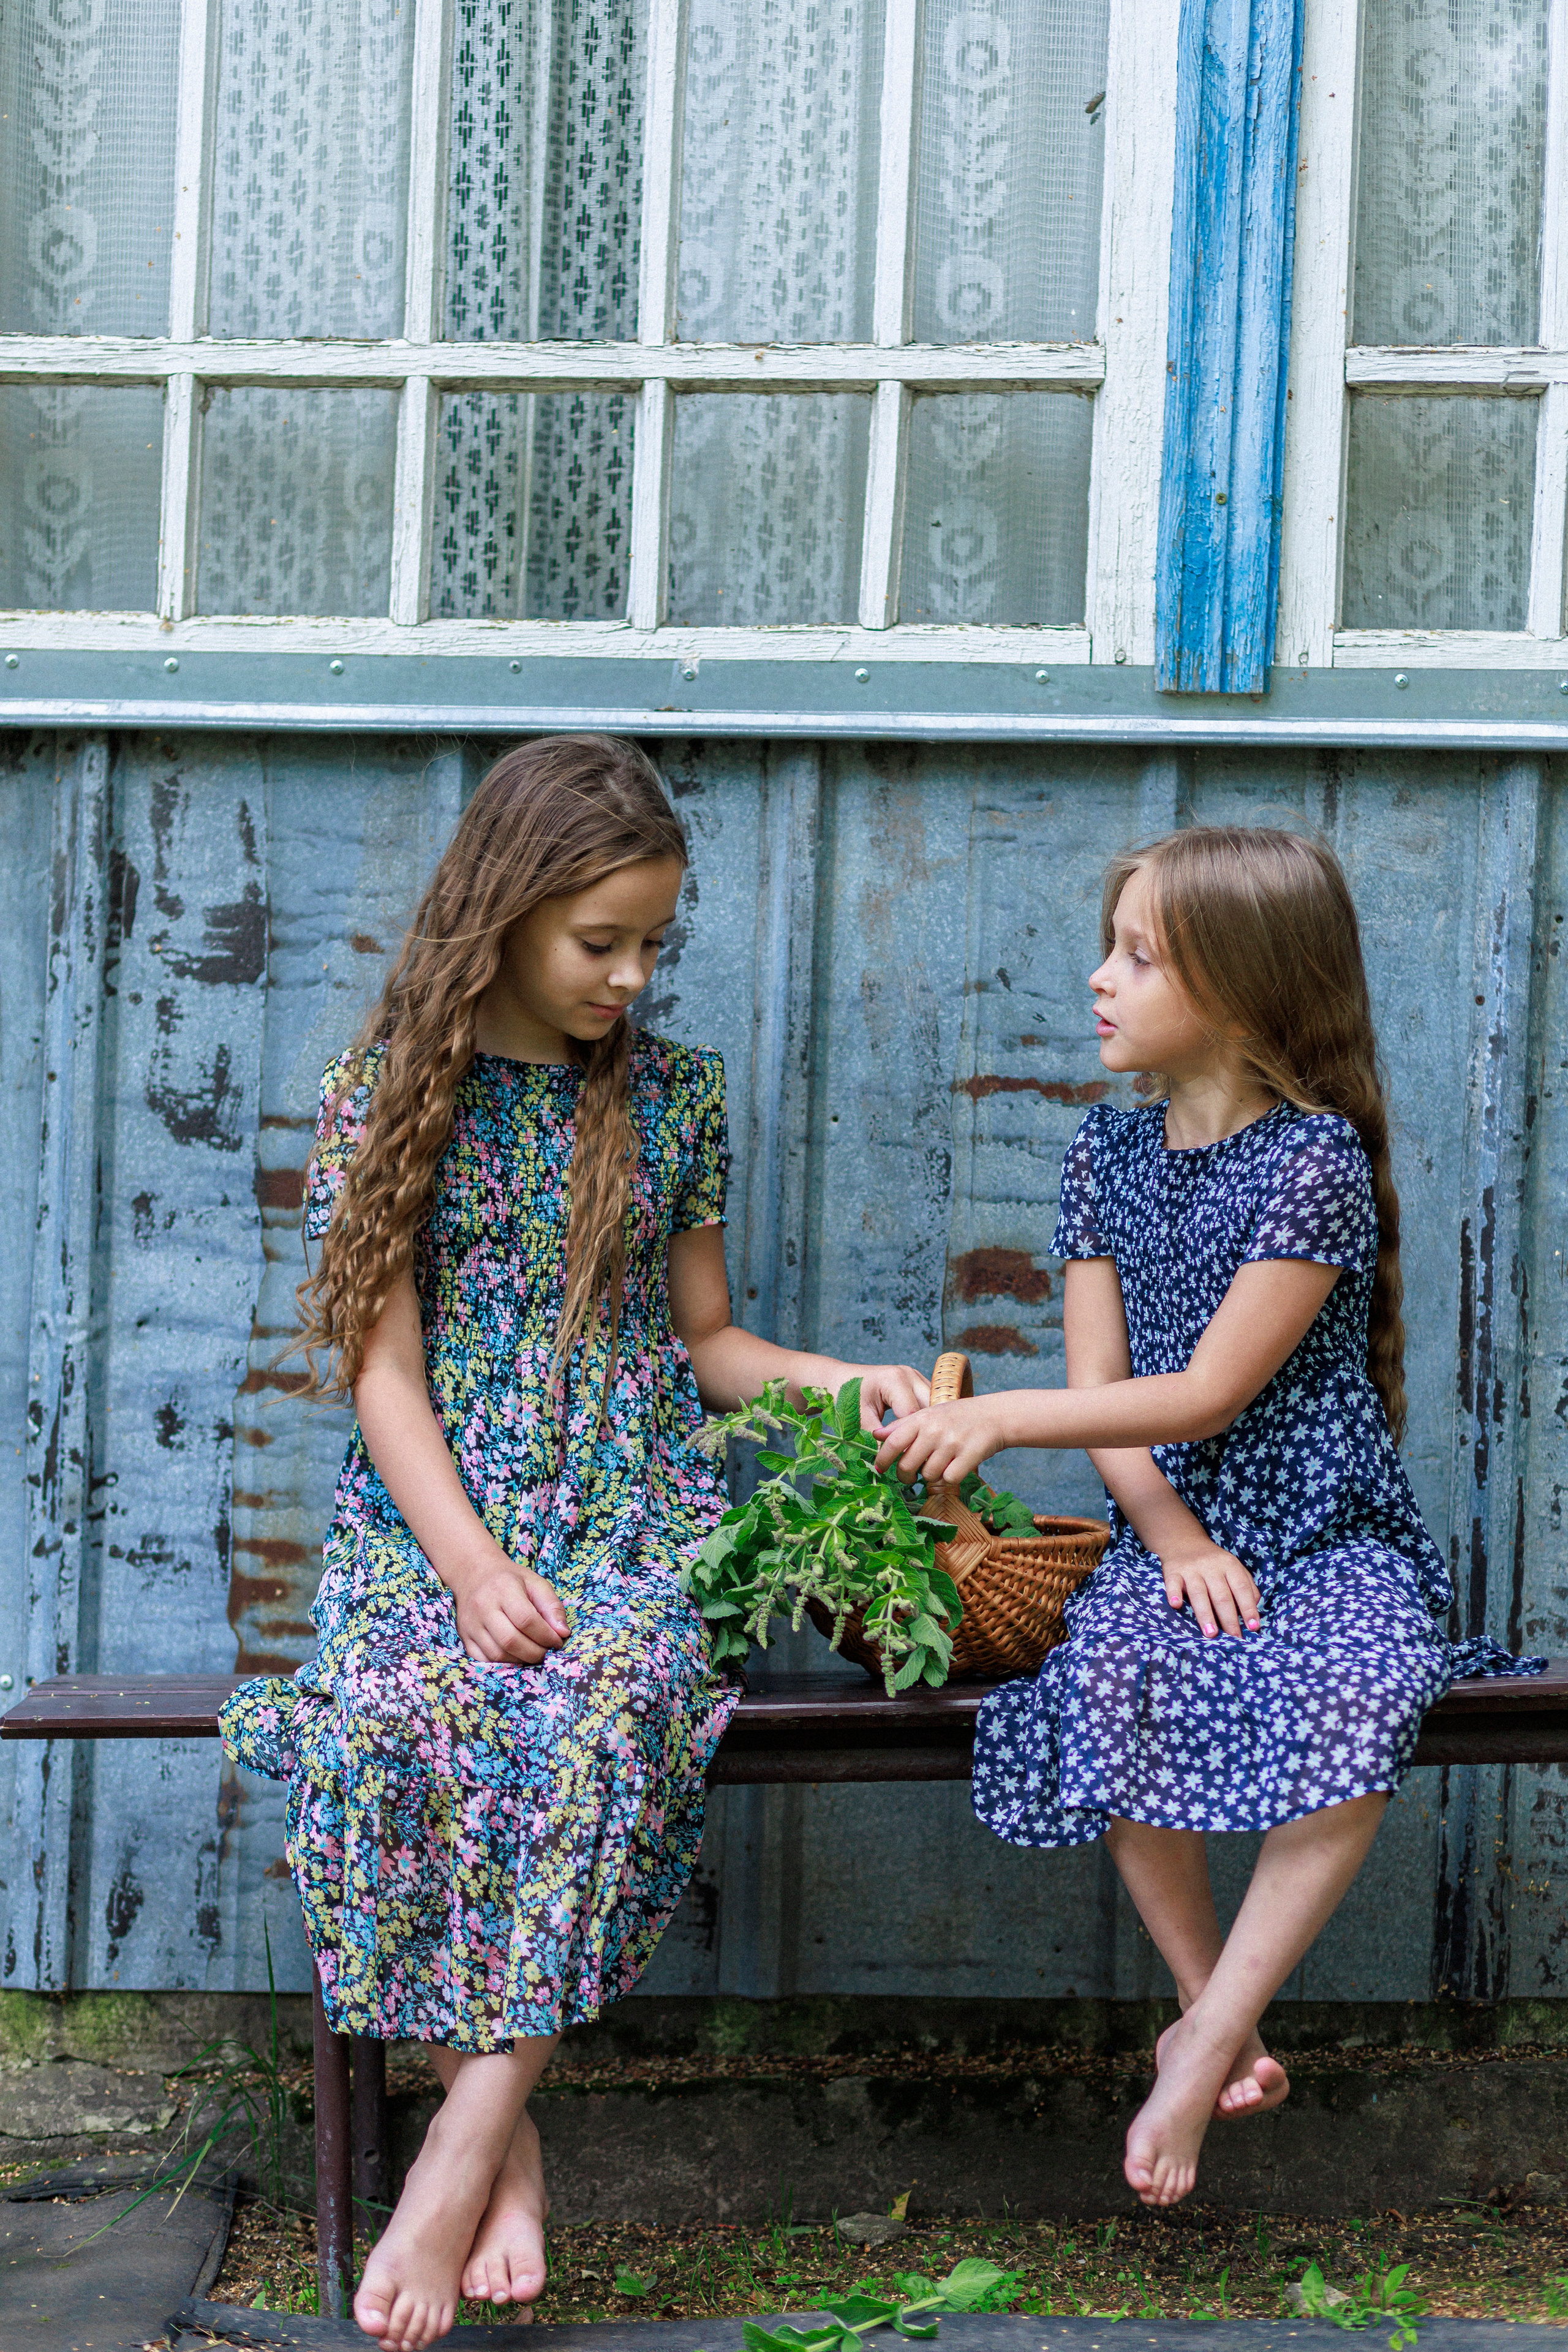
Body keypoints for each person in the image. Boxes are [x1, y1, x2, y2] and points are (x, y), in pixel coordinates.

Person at [219, 736, 927, 2352]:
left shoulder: (670, 1098)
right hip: (436, 1516)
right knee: (398, 1719)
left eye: (652, 943)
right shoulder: (385, 1098)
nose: (632, 973)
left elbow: (713, 1344)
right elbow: (380, 1368)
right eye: (599, 940)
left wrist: (852, 1387)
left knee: (604, 1705)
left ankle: (463, 2138)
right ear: (507, 911)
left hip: (632, 1515)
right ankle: (513, 2134)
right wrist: (466, 1566)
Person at [874, 825, 1541, 2213]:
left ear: (1240, 990)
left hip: (1322, 1530)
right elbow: (1107, 1394)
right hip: (1166, 1512)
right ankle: (1206, 2015)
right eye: (1107, 945)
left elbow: (1208, 1390)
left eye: (1139, 956)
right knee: (1111, 1670)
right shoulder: (1101, 1154)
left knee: (1362, 1685)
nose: (1099, 979)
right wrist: (1167, 1540)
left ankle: (1212, 2034)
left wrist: (994, 1421)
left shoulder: (1310, 1164)